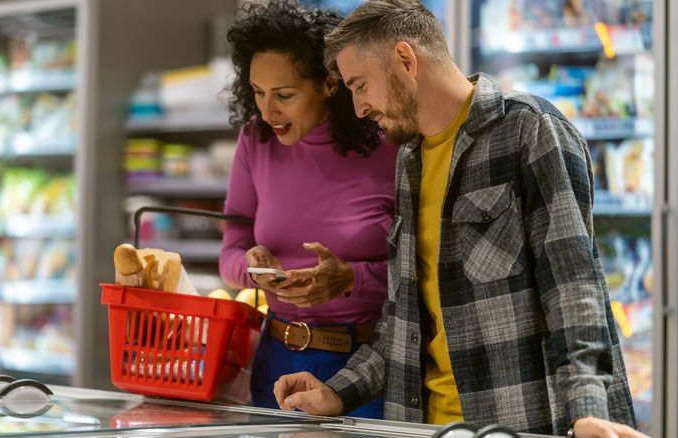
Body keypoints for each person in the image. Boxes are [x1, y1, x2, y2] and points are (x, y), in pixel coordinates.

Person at [273, 1, 648, 437]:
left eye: (361, 86)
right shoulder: (409, 160)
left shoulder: (530, 131)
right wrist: (338, 393)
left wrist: (587, 411)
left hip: (516, 426)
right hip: (422, 427)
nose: (359, 108)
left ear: (405, 60)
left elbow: (574, 292)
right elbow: (404, 321)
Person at [218, 0, 399, 419]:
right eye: (258, 93)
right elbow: (229, 255)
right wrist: (256, 271)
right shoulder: (254, 140)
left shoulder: (388, 141)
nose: (267, 111)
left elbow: (423, 269)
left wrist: (349, 280)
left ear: (331, 84)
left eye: (284, 95)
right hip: (275, 361)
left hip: (367, 365)